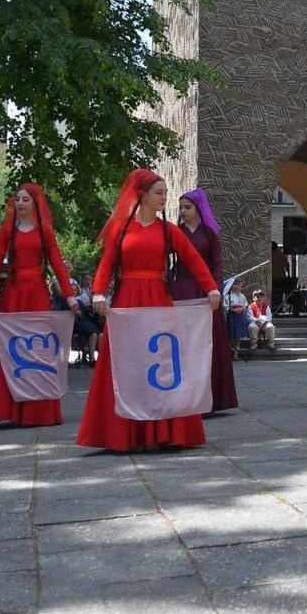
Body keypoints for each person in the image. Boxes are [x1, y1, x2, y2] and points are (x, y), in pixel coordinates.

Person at [77, 170, 220, 452]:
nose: (165, 198)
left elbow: (193, 259)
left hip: (157, 299)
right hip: (127, 300)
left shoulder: (169, 230)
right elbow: (106, 264)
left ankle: (166, 431)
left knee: (161, 362)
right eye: (159, 193)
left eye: (166, 193)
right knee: (126, 362)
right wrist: (97, 292)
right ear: (142, 195)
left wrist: (211, 288)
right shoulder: (121, 230)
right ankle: (123, 433)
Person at [0, 184, 78, 426]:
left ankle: (39, 410)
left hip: (37, 294)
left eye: (25, 200)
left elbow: (57, 265)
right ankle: (9, 408)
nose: (20, 203)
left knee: (38, 349)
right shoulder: (5, 232)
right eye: (17, 199)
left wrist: (70, 296)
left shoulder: (45, 232)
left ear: (35, 203)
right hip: (13, 294)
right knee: (11, 347)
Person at [171, 189, 237, 412]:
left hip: (205, 289)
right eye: (181, 208)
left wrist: (215, 288)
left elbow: (217, 263)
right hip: (181, 287)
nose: (183, 211)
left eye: (187, 207)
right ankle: (184, 395)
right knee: (185, 341)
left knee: (209, 341)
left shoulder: (209, 233)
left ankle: (213, 396)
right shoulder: (176, 232)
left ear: (198, 208)